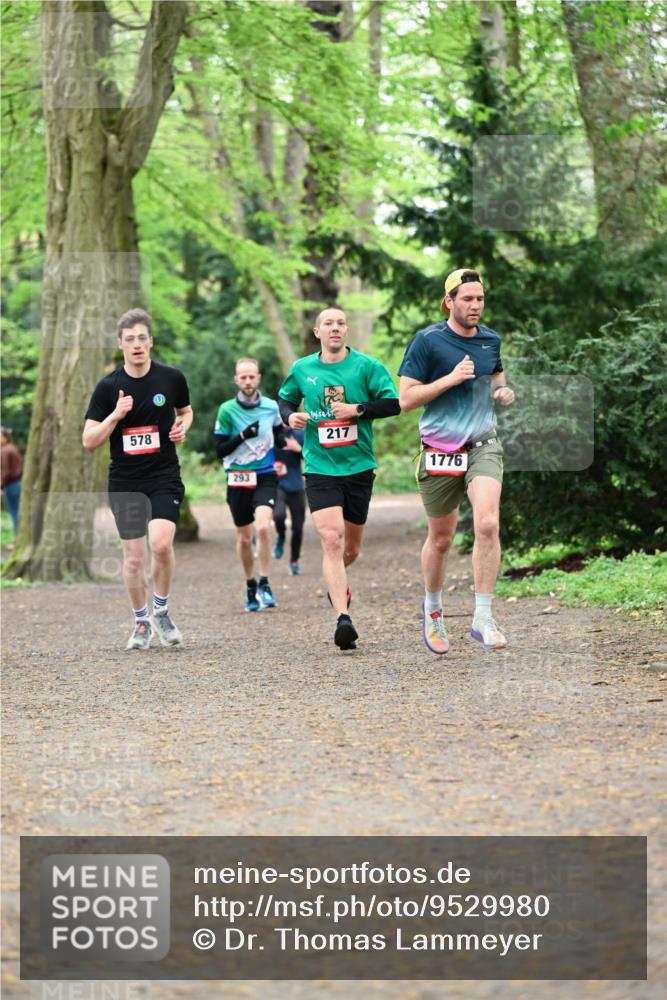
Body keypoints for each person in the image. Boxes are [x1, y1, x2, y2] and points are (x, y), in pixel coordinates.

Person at [398, 268, 515, 655]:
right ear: (449, 301)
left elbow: (496, 377)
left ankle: (483, 617)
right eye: (468, 299)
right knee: (442, 538)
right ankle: (433, 610)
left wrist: (502, 392)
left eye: (480, 299)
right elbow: (406, 399)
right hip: (439, 450)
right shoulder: (428, 341)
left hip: (483, 443)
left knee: (486, 523)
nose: (475, 305)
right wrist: (449, 379)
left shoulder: (490, 340)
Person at [279, 306, 400, 650]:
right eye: (328, 323)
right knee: (331, 540)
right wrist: (291, 418)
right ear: (317, 332)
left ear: (346, 331)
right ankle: (342, 619)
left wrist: (357, 410)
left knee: (351, 548)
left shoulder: (366, 367)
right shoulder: (303, 368)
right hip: (319, 467)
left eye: (340, 323)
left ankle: (337, 584)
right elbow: (284, 399)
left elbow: (393, 403)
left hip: (358, 466)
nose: (335, 328)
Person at [83, 308, 193, 651]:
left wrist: (181, 428)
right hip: (126, 480)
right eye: (129, 339)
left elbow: (185, 412)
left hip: (163, 476)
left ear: (151, 342)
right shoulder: (108, 388)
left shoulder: (172, 378)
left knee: (161, 544)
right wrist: (116, 414)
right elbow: (89, 441)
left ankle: (161, 610)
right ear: (121, 344)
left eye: (142, 338)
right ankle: (142, 621)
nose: (136, 345)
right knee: (134, 559)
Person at [214, 358, 286, 611]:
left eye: (251, 377)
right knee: (245, 540)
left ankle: (265, 582)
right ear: (236, 380)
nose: (247, 381)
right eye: (242, 377)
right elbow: (219, 450)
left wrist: (287, 449)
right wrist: (244, 435)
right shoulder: (226, 410)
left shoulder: (270, 407)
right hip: (237, 477)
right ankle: (249, 584)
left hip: (265, 474)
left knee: (264, 529)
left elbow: (279, 435)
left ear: (258, 378)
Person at [272, 427, 306, 575]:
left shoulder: (300, 434)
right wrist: (271, 466)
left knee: (298, 527)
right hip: (277, 484)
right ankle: (281, 535)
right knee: (279, 516)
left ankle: (294, 561)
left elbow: (313, 457)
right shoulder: (269, 433)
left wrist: (298, 448)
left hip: (297, 486)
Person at [0, 427, 23, 534]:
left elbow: (5, 471)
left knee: (14, 512)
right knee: (18, 511)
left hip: (10, 485)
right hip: (18, 483)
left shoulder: (5, 451)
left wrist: (1, 485)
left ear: (5, 437)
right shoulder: (12, 448)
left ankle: (17, 537)